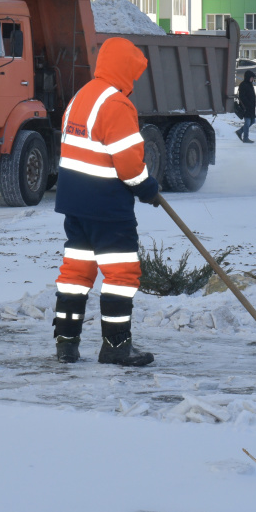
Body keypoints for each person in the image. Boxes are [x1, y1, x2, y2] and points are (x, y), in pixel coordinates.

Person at [52, 37, 161, 367]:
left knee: (75, 274)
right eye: (134, 73)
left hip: (75, 206)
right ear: (124, 68)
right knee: (121, 276)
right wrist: (147, 189)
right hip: (107, 209)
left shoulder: (81, 98)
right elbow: (128, 165)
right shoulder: (116, 105)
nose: (135, 81)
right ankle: (116, 347)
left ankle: (66, 345)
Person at [235, 70, 256, 143]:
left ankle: (240, 132)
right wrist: (248, 104)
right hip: (246, 107)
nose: (252, 79)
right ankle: (245, 138)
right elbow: (242, 97)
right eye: (251, 77)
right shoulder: (243, 85)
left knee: (253, 121)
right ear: (248, 77)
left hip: (251, 107)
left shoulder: (250, 84)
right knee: (247, 122)